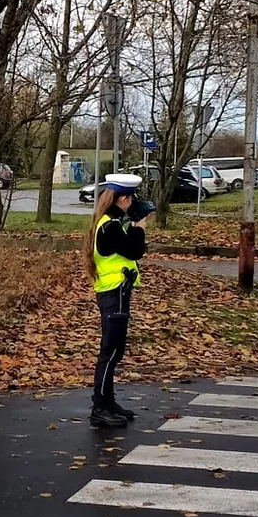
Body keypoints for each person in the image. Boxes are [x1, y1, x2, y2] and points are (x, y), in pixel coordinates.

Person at [83, 173, 150, 428]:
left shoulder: (106, 222)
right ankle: (100, 407)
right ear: (123, 198)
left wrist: (132, 228)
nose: (133, 203)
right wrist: (139, 228)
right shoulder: (110, 226)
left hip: (114, 293)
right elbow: (134, 251)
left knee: (113, 351)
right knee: (110, 352)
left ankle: (108, 402)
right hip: (114, 294)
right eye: (131, 198)